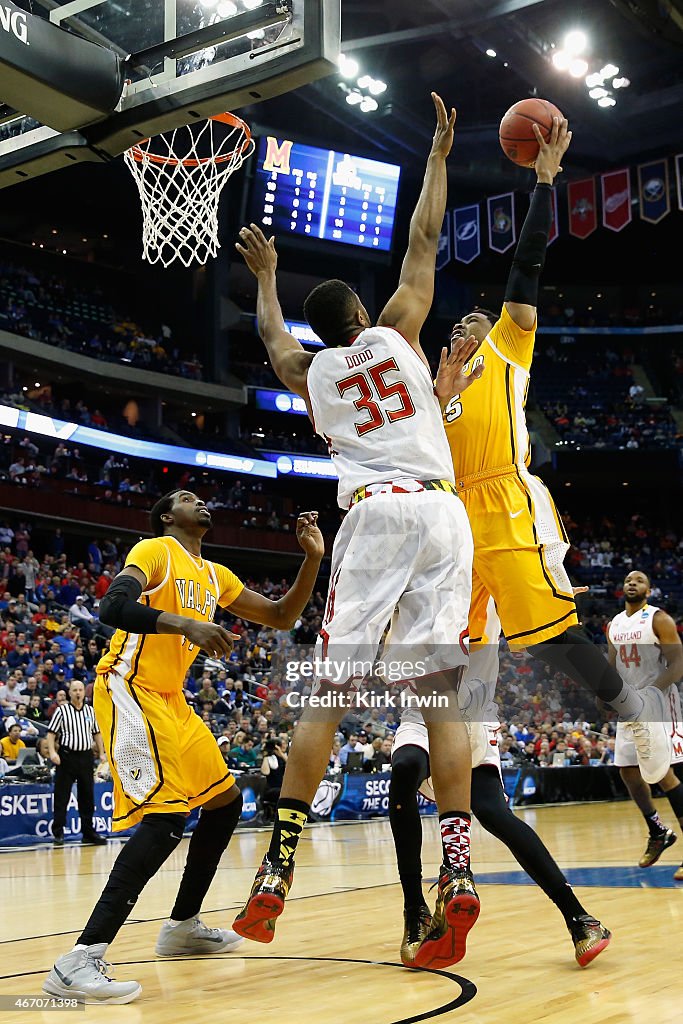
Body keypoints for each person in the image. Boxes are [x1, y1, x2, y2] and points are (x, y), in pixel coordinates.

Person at [232, 93, 483, 970]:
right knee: (437, 695)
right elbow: (421, 240)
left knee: (328, 696)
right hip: (444, 513)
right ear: (364, 315)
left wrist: (266, 275)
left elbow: (270, 340)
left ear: (318, 332)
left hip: (376, 515)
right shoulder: (401, 329)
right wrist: (439, 153)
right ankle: (458, 873)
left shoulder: (309, 370)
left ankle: (278, 868)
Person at [438, 116, 671, 783]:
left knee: (545, 635)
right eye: (457, 322)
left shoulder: (507, 347)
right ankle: (458, 769)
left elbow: (526, 265)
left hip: (504, 498)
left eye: (472, 318)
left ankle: (633, 708)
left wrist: (543, 182)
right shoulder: (437, 384)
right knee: (460, 650)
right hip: (452, 522)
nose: (463, 323)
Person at [43, 490, 324, 1004]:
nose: (203, 503)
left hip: (173, 701)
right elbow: (112, 605)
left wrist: (312, 559)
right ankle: (78, 959)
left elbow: (283, 617)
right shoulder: (155, 551)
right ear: (169, 516)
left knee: (225, 802)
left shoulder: (216, 575)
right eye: (189, 498)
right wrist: (184, 622)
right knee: (167, 819)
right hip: (129, 688)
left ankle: (182, 927)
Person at [389, 599, 611, 968]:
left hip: (474, 718)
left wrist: (550, 587)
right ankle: (416, 913)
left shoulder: (491, 576)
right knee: (405, 769)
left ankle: (580, 919)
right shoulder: (415, 577)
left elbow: (539, 620)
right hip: (423, 708)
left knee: (493, 812)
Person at [607, 570, 683, 880]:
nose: (631, 583)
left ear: (649, 591)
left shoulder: (659, 619)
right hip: (629, 704)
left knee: (663, 773)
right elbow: (611, 667)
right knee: (627, 770)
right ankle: (657, 830)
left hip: (658, 703)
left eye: (639, 580)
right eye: (627, 580)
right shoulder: (614, 624)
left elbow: (678, 664)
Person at [46, 680, 107, 847]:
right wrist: (52, 752)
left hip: (86, 757)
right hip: (67, 756)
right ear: (70, 692)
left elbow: (97, 734)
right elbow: (51, 734)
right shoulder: (62, 711)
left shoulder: (90, 711)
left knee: (87, 796)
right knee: (62, 796)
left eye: (80, 690)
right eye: (75, 690)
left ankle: (88, 833)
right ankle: (58, 833)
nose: (78, 693)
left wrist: (101, 753)